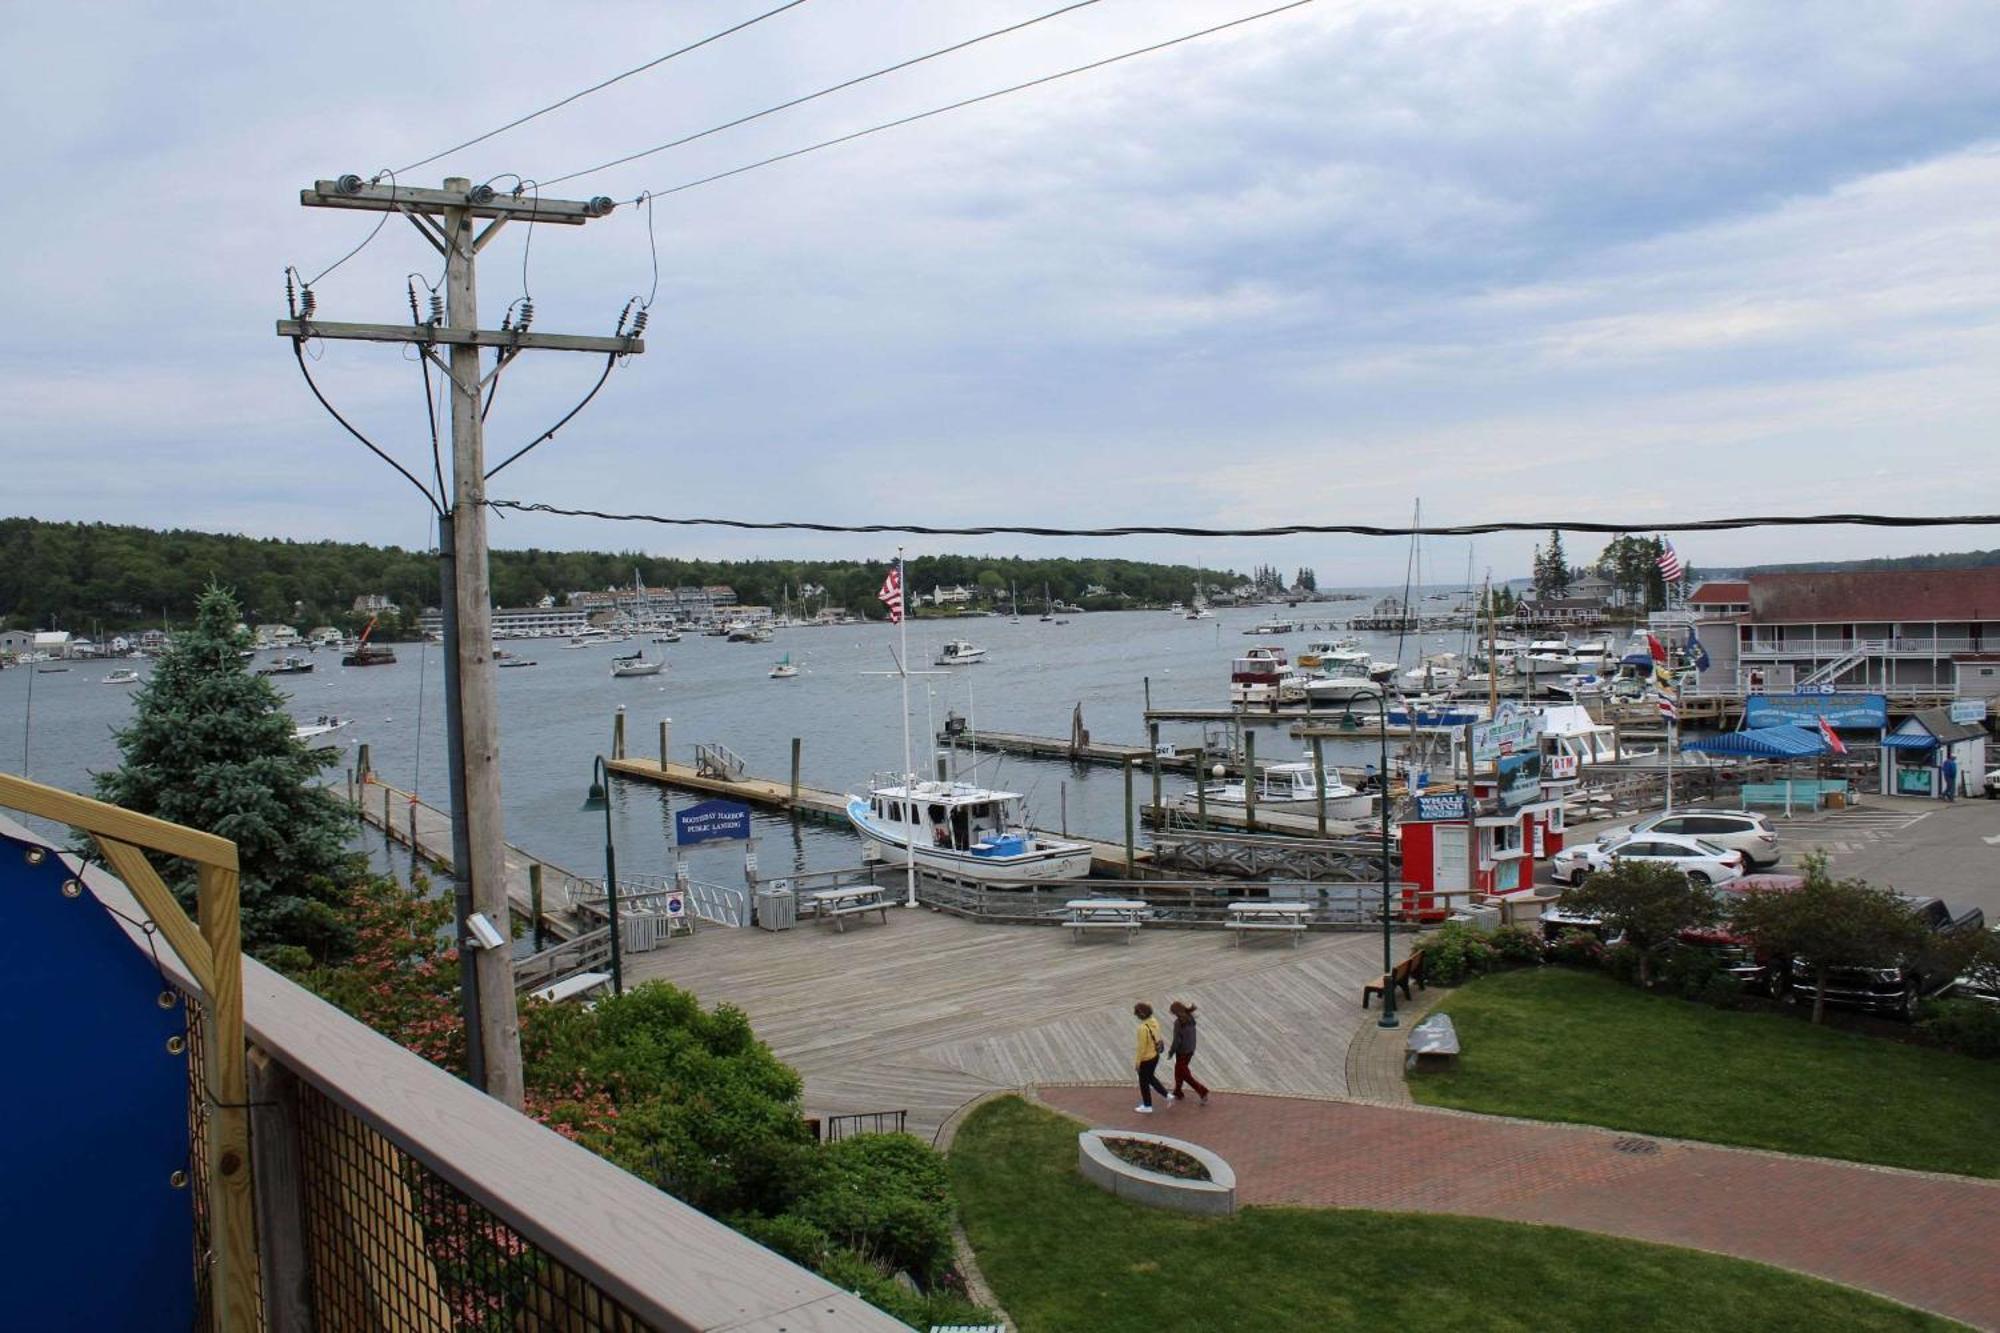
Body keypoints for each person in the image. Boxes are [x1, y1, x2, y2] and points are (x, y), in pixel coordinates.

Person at [1167, 1001, 1210, 1106]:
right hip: (1190, 1049)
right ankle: (1178, 1092)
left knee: (1184, 1074)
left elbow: (1177, 1040)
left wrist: (1171, 1052)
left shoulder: (1178, 1023)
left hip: (1182, 1051)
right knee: (1179, 1071)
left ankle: (1202, 1091)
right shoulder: (1190, 1018)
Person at [1132, 1002, 1172, 1113]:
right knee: (1150, 1078)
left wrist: (1137, 1062)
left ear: (1140, 1015)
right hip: (1155, 1055)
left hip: (1146, 1059)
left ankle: (1147, 1105)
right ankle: (1167, 1095)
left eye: (1136, 1014)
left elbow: (1141, 1048)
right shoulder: (1154, 1021)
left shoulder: (1142, 1028)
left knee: (1143, 1082)